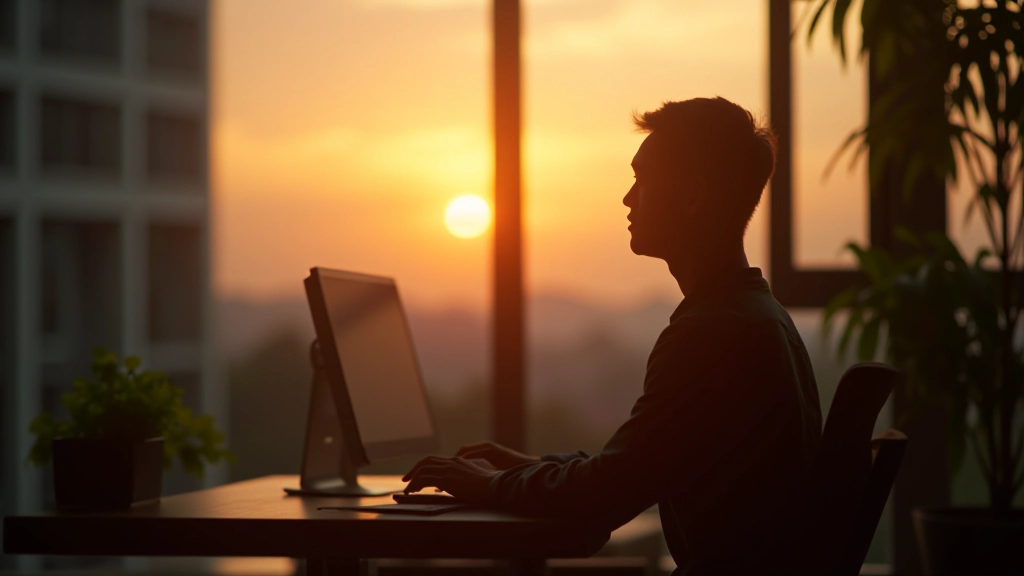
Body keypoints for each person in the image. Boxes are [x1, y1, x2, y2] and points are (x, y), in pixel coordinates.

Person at [403, 97, 822, 574]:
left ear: (691, 197)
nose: (627, 197)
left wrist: (489, 485)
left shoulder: (711, 334)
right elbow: (639, 464)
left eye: (642, 179)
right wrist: (532, 468)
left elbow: (609, 493)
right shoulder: (758, 317)